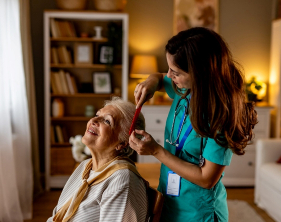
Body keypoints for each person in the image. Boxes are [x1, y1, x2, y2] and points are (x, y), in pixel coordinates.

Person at [129, 27, 258, 222]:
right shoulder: (185, 89)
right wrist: (150, 81)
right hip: (170, 201)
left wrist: (156, 151)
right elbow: (159, 77)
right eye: (169, 68)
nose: (169, 75)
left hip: (198, 212)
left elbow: (207, 179)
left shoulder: (222, 117)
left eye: (176, 72)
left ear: (200, 73)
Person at [47, 97, 148, 222]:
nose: (94, 120)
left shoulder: (121, 179)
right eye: (97, 115)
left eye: (107, 121)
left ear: (122, 143)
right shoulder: (85, 166)